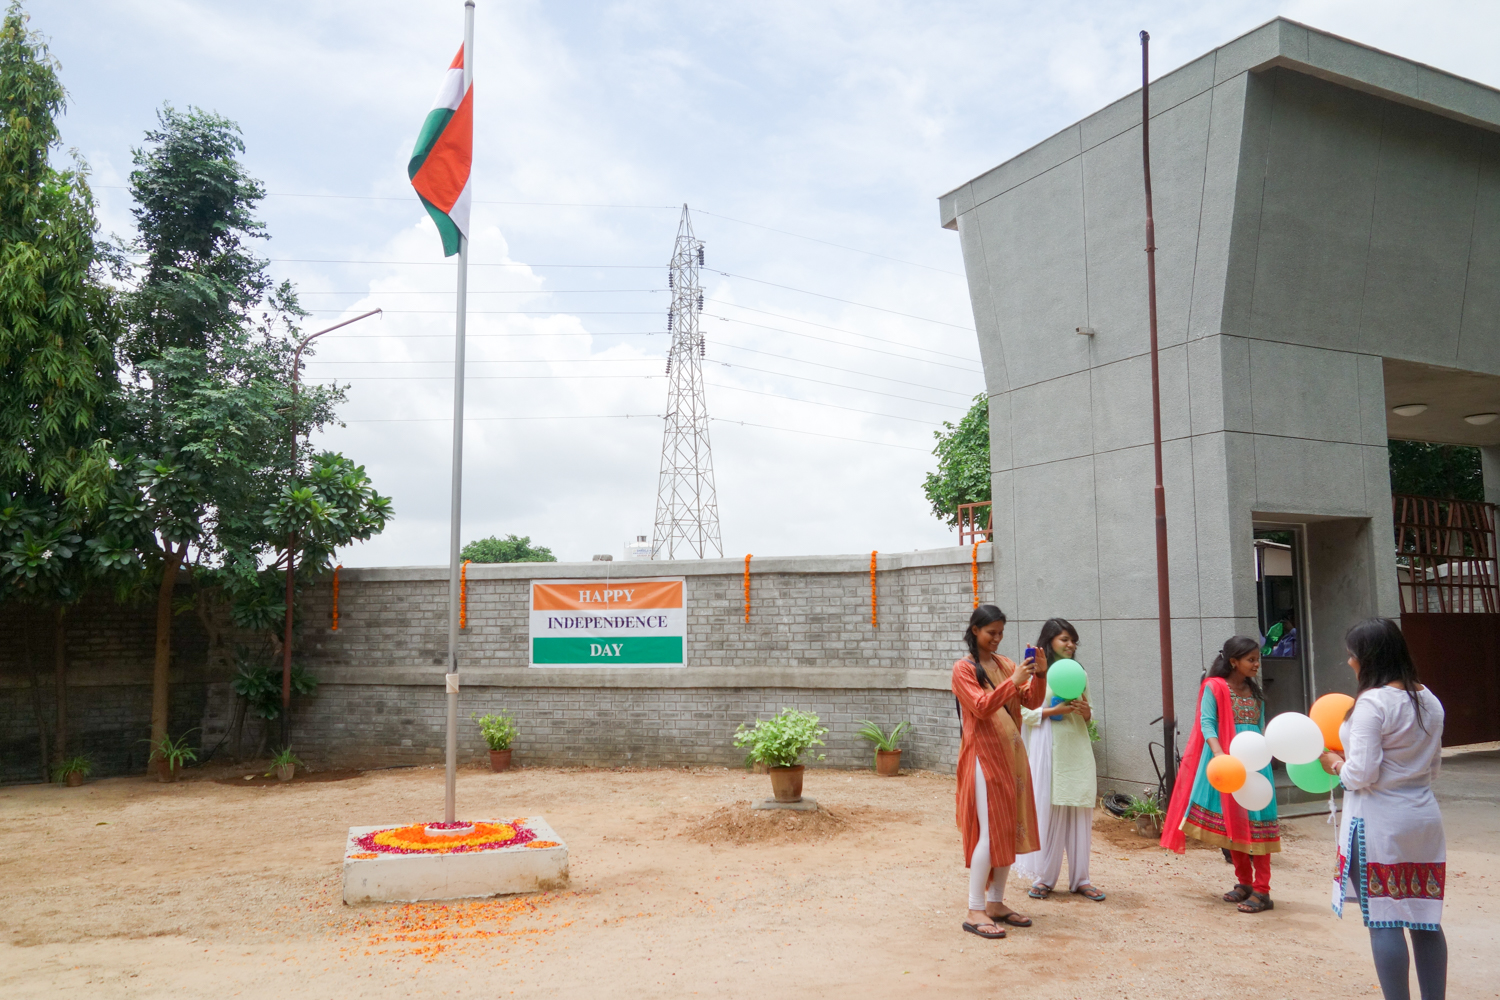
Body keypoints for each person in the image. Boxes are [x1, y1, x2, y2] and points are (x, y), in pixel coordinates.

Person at [1320, 618, 1447, 1000]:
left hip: (1378, 821)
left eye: (1352, 655)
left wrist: (1335, 764)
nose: (1349, 662)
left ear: (1369, 658)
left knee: (1385, 918)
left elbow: (1360, 774)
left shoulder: (1372, 703)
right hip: (1423, 817)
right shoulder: (1430, 700)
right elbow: (1434, 768)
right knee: (1425, 919)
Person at [1160, 635, 1281, 912]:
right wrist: (1219, 756)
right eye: (1251, 660)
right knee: (1234, 821)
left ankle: (1263, 890)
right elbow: (1207, 722)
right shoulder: (1213, 686)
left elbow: (1260, 726)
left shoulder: (1255, 691)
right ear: (1234, 661)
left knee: (1259, 822)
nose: (1257, 665)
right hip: (1227, 762)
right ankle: (1245, 883)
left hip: (1256, 765)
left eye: (1258, 659)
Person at [951, 604, 1047, 940]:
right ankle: (974, 909)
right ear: (975, 630)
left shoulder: (1006, 664)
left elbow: (1031, 702)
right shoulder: (963, 669)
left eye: (1001, 633)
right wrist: (1013, 682)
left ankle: (995, 903)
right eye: (991, 632)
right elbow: (980, 707)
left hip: (1013, 755)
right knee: (990, 833)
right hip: (984, 756)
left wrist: (1039, 675)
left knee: (1008, 828)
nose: (997, 638)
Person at [1015, 618, 1105, 901]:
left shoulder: (1079, 673)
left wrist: (1085, 712)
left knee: (1079, 811)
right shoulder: (1033, 674)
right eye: (1064, 639)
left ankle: (1081, 879)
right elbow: (1021, 712)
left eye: (1073, 640)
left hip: (1076, 748)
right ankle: (1044, 878)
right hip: (1048, 748)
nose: (1071, 645)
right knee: (1049, 811)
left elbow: (1091, 717)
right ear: (1049, 640)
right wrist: (1053, 712)